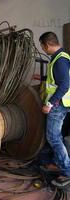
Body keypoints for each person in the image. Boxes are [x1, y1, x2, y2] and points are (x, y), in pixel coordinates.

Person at [39, 32, 70, 187]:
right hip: (63, 104)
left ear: (47, 44)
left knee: (53, 138)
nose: (44, 50)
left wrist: (50, 103)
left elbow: (64, 85)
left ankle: (67, 171)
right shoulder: (61, 57)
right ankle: (59, 164)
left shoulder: (60, 59)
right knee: (58, 136)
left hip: (58, 105)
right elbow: (57, 82)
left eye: (43, 47)